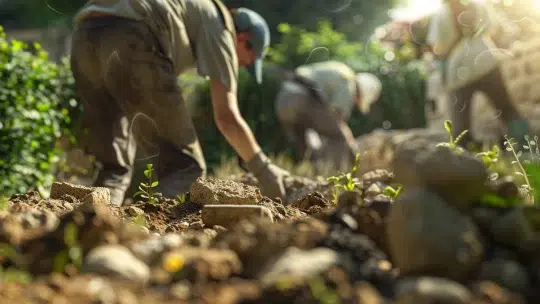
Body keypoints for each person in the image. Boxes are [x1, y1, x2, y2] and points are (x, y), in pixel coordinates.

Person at [69, 0, 290, 205]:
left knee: (113, 168)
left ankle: (94, 227)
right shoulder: (221, 28)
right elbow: (227, 117)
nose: (240, 67)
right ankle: (157, 237)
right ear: (243, 40)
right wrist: (264, 170)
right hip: (132, 34)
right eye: (247, 62)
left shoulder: (192, 9)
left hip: (84, 34)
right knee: (183, 167)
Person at [426, 0, 529, 147]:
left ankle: (464, 159)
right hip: (486, 60)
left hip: (459, 72)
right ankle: (526, 145)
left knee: (460, 123)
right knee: (507, 109)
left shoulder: (441, 14)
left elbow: (439, 48)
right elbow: (493, 29)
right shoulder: (477, 5)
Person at [274, 60, 382, 173]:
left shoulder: (340, 70)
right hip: (302, 98)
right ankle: (333, 175)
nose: (355, 103)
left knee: (306, 142)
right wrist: (349, 140)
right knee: (339, 137)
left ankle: (307, 177)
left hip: (283, 100)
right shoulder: (349, 81)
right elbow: (337, 117)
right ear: (361, 93)